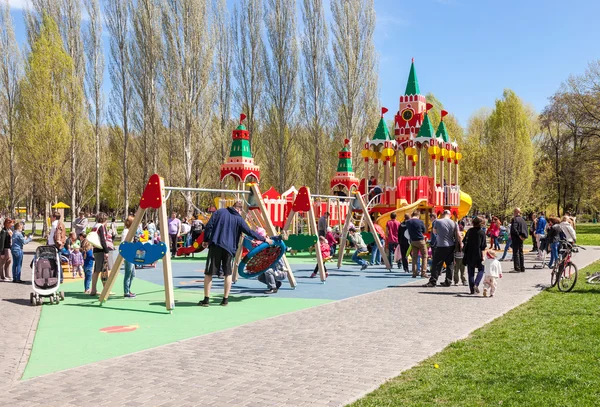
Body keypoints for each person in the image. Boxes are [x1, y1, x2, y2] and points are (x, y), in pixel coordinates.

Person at [199, 201, 271, 307]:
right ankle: (225, 299)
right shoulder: (239, 219)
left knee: (209, 273)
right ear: (239, 209)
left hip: (216, 245)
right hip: (229, 248)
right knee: (228, 273)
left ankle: (206, 299)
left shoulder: (219, 212)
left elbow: (209, 226)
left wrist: (206, 240)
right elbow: (249, 232)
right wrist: (263, 239)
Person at [424, 210, 458, 288]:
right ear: (450, 215)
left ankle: (433, 281)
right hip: (451, 245)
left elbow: (435, 232)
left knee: (436, 263)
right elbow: (456, 234)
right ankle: (448, 281)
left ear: (443, 214)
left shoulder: (438, 222)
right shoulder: (454, 223)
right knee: (450, 264)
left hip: (441, 245)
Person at [463, 216, 487, 295]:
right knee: (481, 269)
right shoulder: (482, 232)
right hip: (478, 253)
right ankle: (476, 284)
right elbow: (483, 246)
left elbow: (464, 241)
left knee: (471, 272)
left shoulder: (469, 231)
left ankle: (472, 289)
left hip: (469, 253)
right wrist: (483, 256)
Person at [90, 212, 112, 296]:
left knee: (97, 270)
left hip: (96, 249)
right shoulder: (101, 227)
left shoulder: (95, 226)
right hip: (100, 250)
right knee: (102, 270)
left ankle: (94, 289)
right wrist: (106, 251)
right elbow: (103, 240)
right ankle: (104, 289)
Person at [406, 211, 428, 278]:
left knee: (414, 257)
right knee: (424, 256)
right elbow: (424, 231)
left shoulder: (408, 222)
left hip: (413, 240)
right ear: (418, 215)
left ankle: (414, 273)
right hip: (420, 240)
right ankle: (423, 272)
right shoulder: (420, 222)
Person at [121, 215, 136, 298]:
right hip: (128, 254)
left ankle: (128, 289)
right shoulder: (126, 231)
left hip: (131, 254)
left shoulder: (130, 231)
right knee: (128, 272)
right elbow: (123, 243)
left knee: (132, 273)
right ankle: (126, 292)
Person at [510, 208, 528, 273]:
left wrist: (518, 235)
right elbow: (526, 228)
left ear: (515, 212)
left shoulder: (515, 219)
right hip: (521, 238)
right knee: (521, 252)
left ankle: (517, 268)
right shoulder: (523, 220)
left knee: (516, 252)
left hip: (516, 237)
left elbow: (514, 228)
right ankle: (522, 267)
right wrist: (524, 236)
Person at [454, 222, 467, 286]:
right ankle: (456, 281)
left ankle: (464, 280)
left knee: (463, 271)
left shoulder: (465, 244)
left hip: (463, 258)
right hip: (456, 258)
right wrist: (453, 259)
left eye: (462, 235)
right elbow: (453, 251)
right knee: (456, 271)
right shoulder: (456, 244)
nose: (461, 237)